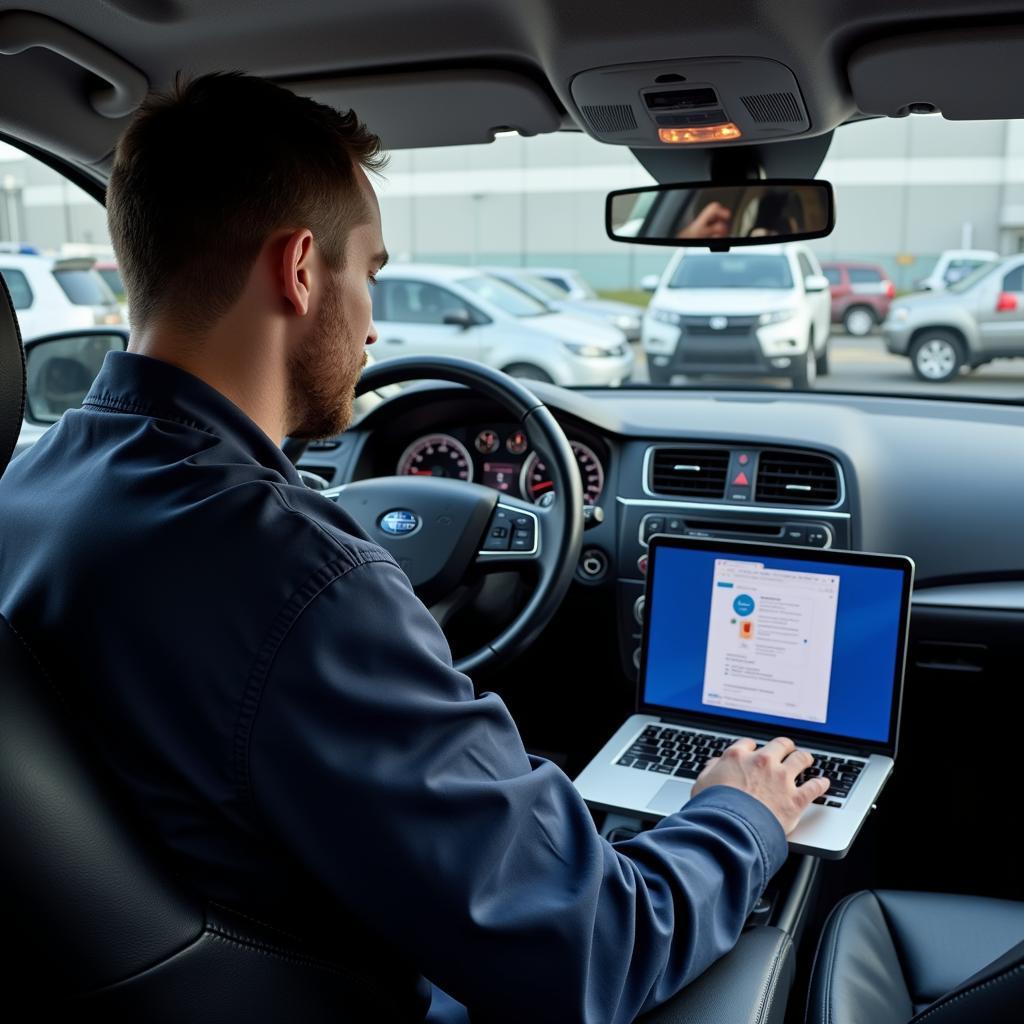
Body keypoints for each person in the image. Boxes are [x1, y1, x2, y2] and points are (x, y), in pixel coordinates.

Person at [0, 73, 829, 1023]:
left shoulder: (30, 488)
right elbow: (593, 949)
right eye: (372, 273)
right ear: (302, 270)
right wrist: (742, 813)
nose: (373, 323)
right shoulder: (303, 579)